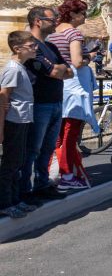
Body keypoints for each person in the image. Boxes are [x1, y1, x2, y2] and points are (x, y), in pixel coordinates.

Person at [21, 7, 73, 204]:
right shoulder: (30, 45)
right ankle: (25, 190)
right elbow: (54, 73)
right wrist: (59, 69)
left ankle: (42, 184)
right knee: (32, 149)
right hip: (39, 103)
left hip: (56, 102)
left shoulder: (51, 47)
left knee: (48, 148)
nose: (56, 23)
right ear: (38, 21)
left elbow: (70, 72)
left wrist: (59, 69)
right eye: (52, 19)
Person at [47, 0, 99, 190]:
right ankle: (67, 175)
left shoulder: (53, 33)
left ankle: (57, 172)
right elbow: (77, 61)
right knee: (70, 134)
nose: (85, 16)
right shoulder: (73, 33)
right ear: (74, 14)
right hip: (74, 90)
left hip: (58, 87)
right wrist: (90, 56)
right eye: (83, 13)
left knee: (58, 135)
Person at [0, 32, 39, 218]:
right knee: (10, 164)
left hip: (22, 119)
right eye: (31, 46)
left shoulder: (20, 68)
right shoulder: (13, 69)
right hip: (14, 122)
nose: (35, 48)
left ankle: (15, 200)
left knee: (18, 162)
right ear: (17, 49)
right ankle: (5, 203)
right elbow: (4, 97)